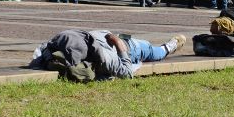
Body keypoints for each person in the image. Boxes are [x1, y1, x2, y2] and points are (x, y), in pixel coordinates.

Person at [32, 29, 186, 80]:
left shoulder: (103, 56)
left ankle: (171, 45)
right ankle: (169, 45)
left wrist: (118, 42)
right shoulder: (65, 38)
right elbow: (126, 72)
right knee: (154, 52)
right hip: (123, 44)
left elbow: (126, 73)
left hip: (132, 46)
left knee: (157, 52)